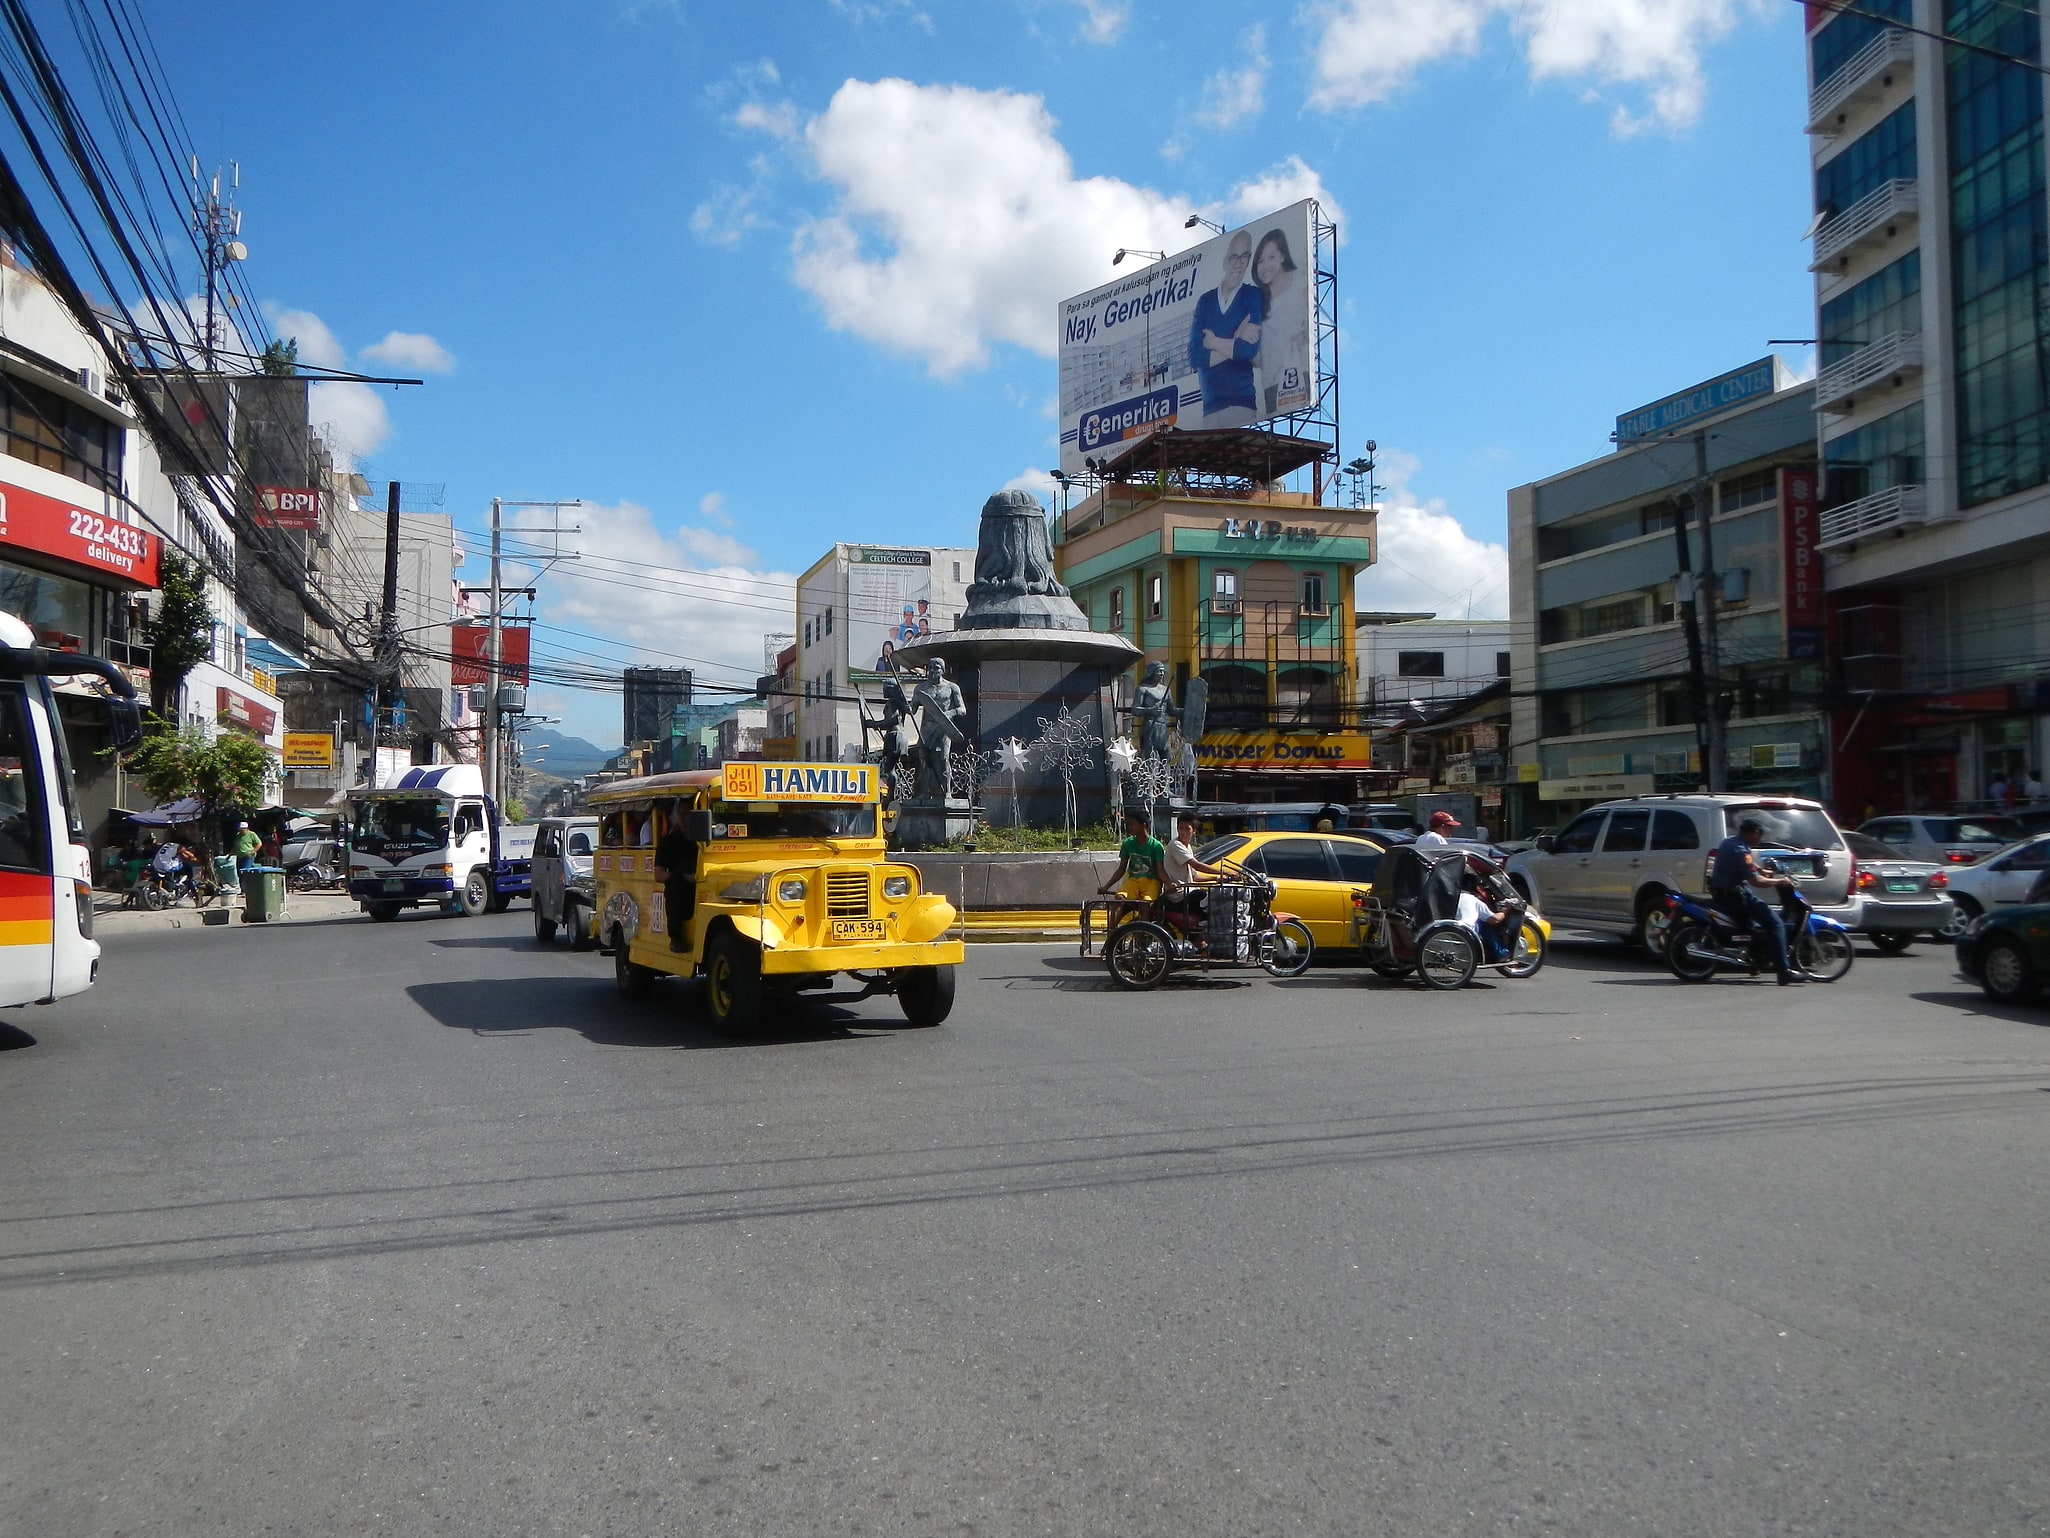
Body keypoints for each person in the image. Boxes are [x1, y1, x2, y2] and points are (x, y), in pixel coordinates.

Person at [1187, 229, 1263, 428]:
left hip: (1242, 405)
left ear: (1249, 260)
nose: (1238, 263)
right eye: (1233, 257)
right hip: (1209, 409)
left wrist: (1213, 343)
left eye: (1244, 256)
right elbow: (1194, 356)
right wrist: (1235, 339)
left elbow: (1249, 350)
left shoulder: (1252, 296)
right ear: (1224, 261)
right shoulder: (1205, 302)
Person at [1710, 816, 1798, 985]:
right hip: (1735, 895)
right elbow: (1756, 881)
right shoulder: (1741, 850)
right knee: (1775, 924)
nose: (1760, 838)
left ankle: (1756, 959)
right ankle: (1784, 971)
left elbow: (1747, 866)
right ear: (1753, 833)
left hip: (1722, 893)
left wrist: (1761, 870)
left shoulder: (1731, 843)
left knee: (1754, 927)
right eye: (1759, 834)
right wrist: (1780, 881)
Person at [1251, 227, 1312, 416]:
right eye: (1260, 260)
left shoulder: (1301, 285)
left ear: (1283, 256)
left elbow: (1311, 331)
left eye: (1271, 257)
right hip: (1270, 386)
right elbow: (1258, 360)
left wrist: (1303, 336)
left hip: (1301, 378)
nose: (1264, 266)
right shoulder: (1257, 301)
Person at [652, 800, 699, 954]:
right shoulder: (668, 842)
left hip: (707, 881)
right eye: (682, 814)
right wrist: (685, 877)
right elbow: (658, 874)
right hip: (683, 887)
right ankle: (676, 937)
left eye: (690, 814)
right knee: (674, 884)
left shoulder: (709, 841)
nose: (685, 819)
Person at [1161, 814, 1224, 921]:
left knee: (1218, 899)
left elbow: (1194, 876)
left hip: (1189, 890)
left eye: (1187, 829)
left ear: (1193, 831)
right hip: (1179, 894)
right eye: (1181, 828)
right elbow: (1197, 865)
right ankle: (1202, 936)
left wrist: (1216, 879)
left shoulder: (1187, 847)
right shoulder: (1176, 845)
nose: (1183, 832)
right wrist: (1224, 872)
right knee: (1207, 901)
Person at [1098, 809, 1166, 902]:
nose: (1129, 827)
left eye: (1132, 824)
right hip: (1133, 881)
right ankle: (1114, 917)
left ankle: (1143, 917)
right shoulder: (1127, 843)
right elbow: (1121, 869)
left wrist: (1169, 885)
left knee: (1145, 902)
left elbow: (1160, 870)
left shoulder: (1156, 846)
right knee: (1119, 898)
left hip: (1151, 882)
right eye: (1128, 824)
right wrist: (1106, 886)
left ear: (1143, 825)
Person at [1455, 874, 1512, 963]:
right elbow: (1495, 919)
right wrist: (1505, 910)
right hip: (1468, 933)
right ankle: (1501, 953)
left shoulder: (1452, 898)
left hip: (1453, 930)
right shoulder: (1474, 900)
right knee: (1485, 923)